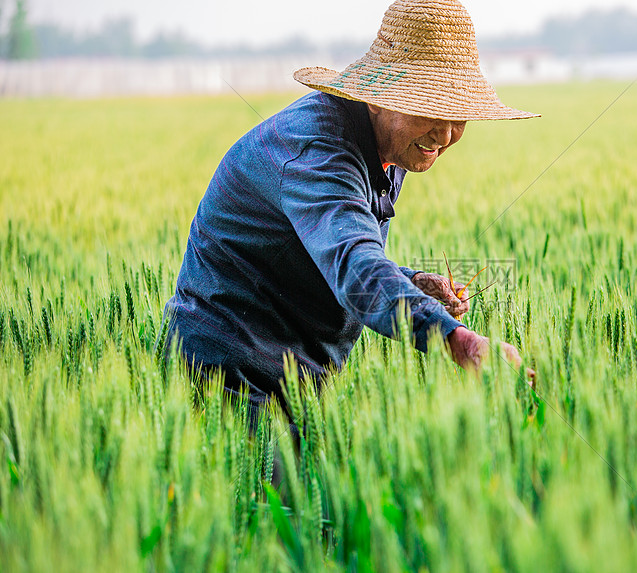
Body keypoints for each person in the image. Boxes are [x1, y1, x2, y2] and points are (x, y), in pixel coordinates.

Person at [163, 0, 538, 418]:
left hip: (299, 380)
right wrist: (458, 339)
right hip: (229, 379)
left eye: (459, 116)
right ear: (377, 99)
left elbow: (330, 250)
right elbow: (355, 268)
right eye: (432, 110)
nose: (446, 134)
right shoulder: (319, 153)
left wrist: (410, 281)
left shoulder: (392, 146)